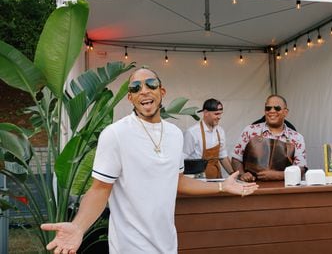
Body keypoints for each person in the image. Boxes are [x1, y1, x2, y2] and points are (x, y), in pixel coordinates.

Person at [40, 67, 258, 254]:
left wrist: (222, 186)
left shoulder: (174, 134)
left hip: (167, 244)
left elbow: (178, 181)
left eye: (150, 84)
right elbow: (99, 189)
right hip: (130, 247)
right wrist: (78, 227)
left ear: (161, 92)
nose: (143, 90)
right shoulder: (115, 134)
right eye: (135, 88)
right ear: (130, 98)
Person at [231, 94, 307, 182]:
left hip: (284, 188)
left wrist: (278, 175)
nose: (272, 111)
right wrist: (242, 174)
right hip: (251, 187)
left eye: (277, 108)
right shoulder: (250, 131)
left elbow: (301, 169)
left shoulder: (297, 137)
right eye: (268, 108)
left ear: (285, 112)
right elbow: (236, 158)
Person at [183, 98, 234, 178]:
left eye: (221, 114)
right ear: (206, 113)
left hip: (216, 177)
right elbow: (183, 158)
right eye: (216, 114)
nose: (219, 117)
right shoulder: (192, 132)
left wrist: (233, 175)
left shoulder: (220, 131)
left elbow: (223, 156)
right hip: (198, 179)